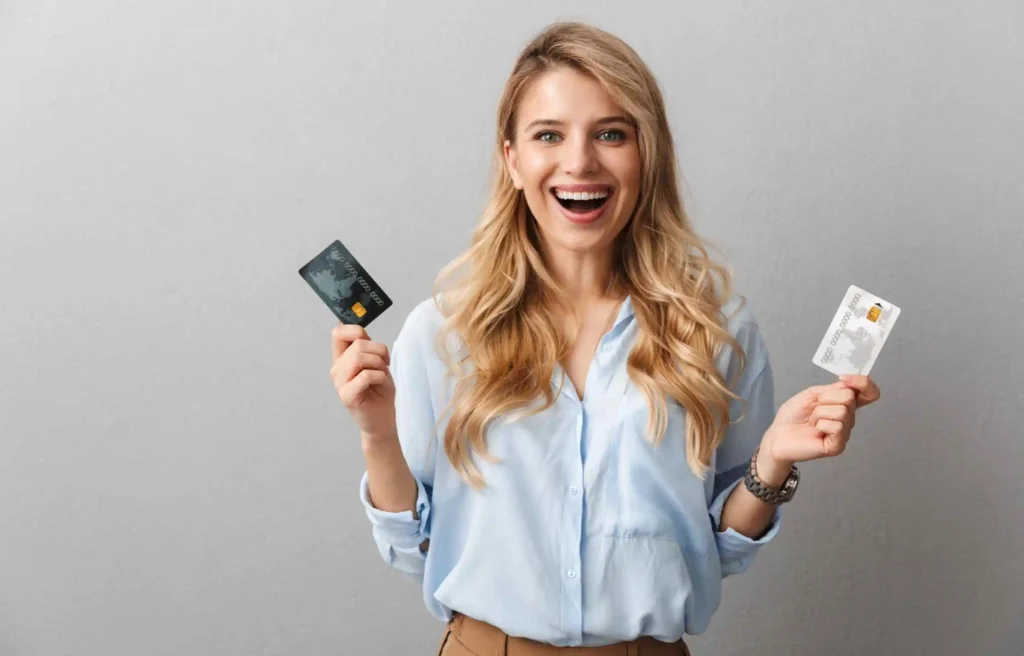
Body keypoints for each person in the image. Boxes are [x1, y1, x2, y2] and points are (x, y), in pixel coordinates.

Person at [330, 21, 882, 656]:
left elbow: (721, 549)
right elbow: (413, 548)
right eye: (548, 136)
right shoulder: (442, 332)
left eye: (611, 134)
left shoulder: (718, 329)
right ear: (512, 159)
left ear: (647, 154)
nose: (580, 162)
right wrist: (376, 432)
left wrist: (773, 462)